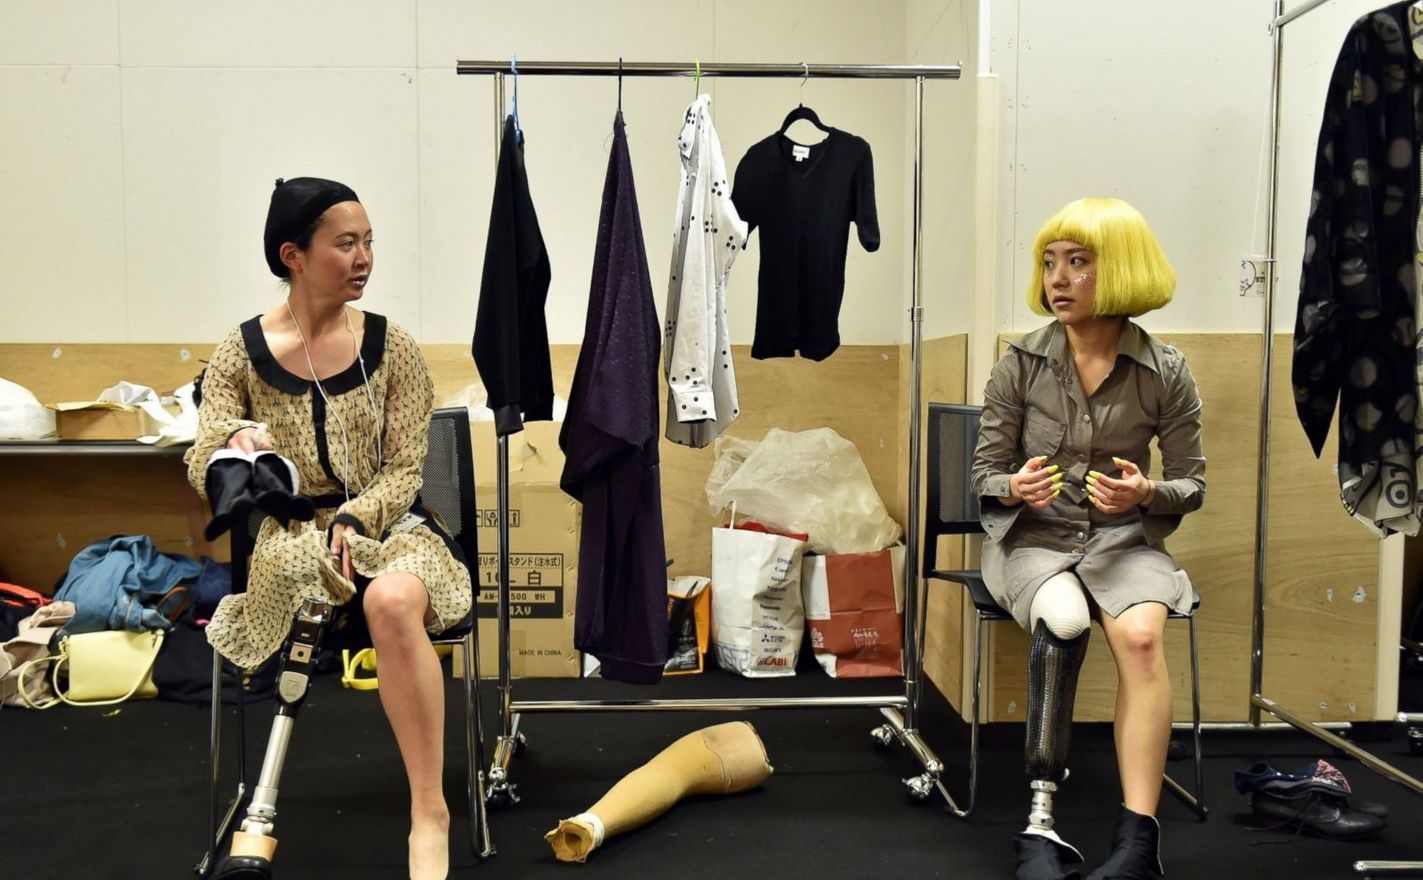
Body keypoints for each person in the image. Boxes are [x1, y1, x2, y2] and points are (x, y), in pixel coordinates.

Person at [186, 177, 472, 880]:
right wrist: (235, 445)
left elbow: (406, 467)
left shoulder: (392, 347)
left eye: (368, 241)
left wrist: (355, 515)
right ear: (294, 255)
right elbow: (203, 456)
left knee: (393, 600)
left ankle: (429, 812)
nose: (364, 258)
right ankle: (257, 806)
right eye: (346, 243)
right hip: (292, 539)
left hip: (391, 526)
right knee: (301, 576)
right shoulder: (239, 354)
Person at [970, 197, 1205, 880]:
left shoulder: (1166, 371)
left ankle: (1138, 842)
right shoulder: (1019, 363)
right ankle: (1040, 825)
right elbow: (982, 475)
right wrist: (1014, 487)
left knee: (1141, 638)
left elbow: (1191, 484)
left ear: (1122, 269)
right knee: (1066, 622)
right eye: (1049, 263)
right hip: (1032, 541)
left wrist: (1145, 494)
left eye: (1078, 262)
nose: (1057, 278)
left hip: (1121, 542)